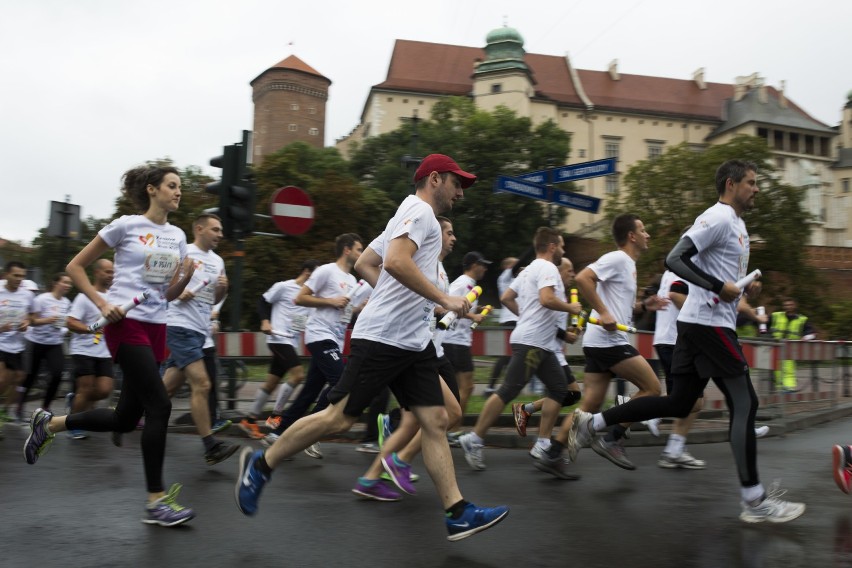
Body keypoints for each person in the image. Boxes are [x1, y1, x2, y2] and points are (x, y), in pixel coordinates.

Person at [235, 153, 508, 541]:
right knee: (338, 418)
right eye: (456, 182)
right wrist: (443, 300)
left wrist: (420, 301)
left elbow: (367, 262)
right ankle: (262, 465)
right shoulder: (421, 212)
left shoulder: (405, 214)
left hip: (412, 342)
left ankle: (457, 512)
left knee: (435, 420)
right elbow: (394, 262)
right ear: (434, 179)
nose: (460, 193)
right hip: (383, 338)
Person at [565, 160, 805, 523]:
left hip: (699, 324)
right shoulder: (719, 216)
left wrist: (741, 287)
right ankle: (755, 501)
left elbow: (721, 280)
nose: (756, 189)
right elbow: (675, 258)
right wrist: (716, 286)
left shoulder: (738, 224)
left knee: (679, 402)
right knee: (745, 402)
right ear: (730, 184)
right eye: (751, 183)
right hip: (708, 326)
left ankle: (594, 425)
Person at [25, 164, 197, 526]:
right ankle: (155, 501)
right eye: (172, 185)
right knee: (160, 405)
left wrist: (186, 277)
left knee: (125, 418)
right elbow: (75, 267)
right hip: (125, 323)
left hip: (157, 326)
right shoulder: (125, 225)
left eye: (180, 186)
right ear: (152, 189)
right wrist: (102, 303)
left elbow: (167, 295)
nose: (178, 191)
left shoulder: (178, 236)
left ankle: (50, 425)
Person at [535, 214, 668, 476]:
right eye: (643, 229)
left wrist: (643, 306)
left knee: (590, 405)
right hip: (609, 342)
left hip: (599, 342)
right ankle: (613, 437)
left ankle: (553, 454)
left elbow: (620, 305)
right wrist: (603, 312)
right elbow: (585, 278)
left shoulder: (628, 264)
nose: (647, 234)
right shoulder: (618, 258)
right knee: (652, 388)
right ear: (631, 236)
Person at [457, 227, 582, 472]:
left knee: (559, 390)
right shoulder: (546, 268)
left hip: (539, 342)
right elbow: (546, 299)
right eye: (563, 246)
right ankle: (474, 439)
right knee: (507, 391)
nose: (564, 251)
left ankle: (543, 443)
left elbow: (505, 297)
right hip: (533, 342)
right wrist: (571, 308)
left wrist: (525, 316)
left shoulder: (529, 270)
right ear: (552, 246)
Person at [352, 215, 458, 499]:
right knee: (338, 417)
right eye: (448, 232)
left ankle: (375, 476)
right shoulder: (416, 248)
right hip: (415, 348)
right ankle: (395, 463)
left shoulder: (438, 268)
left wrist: (458, 310)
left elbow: (431, 305)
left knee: (428, 417)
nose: (452, 237)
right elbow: (369, 265)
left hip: (426, 348)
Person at [261, 233, 363, 459]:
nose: (361, 254)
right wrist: (330, 301)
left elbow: (345, 311)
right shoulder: (326, 271)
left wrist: (359, 308)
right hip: (319, 335)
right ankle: (310, 432)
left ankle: (279, 432)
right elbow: (300, 298)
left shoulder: (353, 281)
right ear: (346, 250)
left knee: (310, 392)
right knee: (341, 382)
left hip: (335, 339)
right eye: (358, 249)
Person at [161, 213, 238, 466]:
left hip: (201, 331)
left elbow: (212, 300)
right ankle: (210, 446)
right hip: (179, 325)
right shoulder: (184, 254)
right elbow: (162, 288)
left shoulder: (218, 261)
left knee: (168, 388)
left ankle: (129, 415)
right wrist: (178, 289)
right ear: (199, 229)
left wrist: (222, 288)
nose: (220, 234)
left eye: (221, 230)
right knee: (203, 384)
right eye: (215, 229)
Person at [507, 256, 583, 462]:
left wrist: (571, 331)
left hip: (553, 349)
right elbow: (547, 321)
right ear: (558, 272)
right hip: (548, 349)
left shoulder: (560, 293)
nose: (572, 274)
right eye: (569, 270)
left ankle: (528, 414)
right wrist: (565, 335)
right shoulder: (550, 290)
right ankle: (540, 437)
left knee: (569, 394)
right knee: (565, 392)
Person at [239, 260, 318, 439]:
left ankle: (249, 420)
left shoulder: (310, 296)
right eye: (317, 275)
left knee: (271, 383)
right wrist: (265, 321)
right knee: (298, 375)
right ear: (307, 272)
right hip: (278, 338)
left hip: (291, 342)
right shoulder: (283, 286)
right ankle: (276, 417)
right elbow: (262, 301)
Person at [64, 259, 116, 440]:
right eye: (107, 272)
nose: (111, 275)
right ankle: (73, 425)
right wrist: (89, 328)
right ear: (97, 273)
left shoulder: (114, 297)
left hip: (104, 351)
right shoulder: (85, 296)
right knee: (85, 390)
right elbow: (70, 322)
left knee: (104, 390)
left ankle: (75, 400)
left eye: (112, 272)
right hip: (83, 350)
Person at [13, 272, 73, 421]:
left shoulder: (66, 302)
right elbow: (32, 321)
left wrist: (63, 328)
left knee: (57, 374)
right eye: (64, 282)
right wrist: (47, 320)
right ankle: (19, 406)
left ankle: (45, 408)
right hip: (36, 341)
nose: (67, 285)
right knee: (30, 376)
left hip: (54, 343)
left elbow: (65, 323)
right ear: (55, 283)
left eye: (69, 283)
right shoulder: (42, 299)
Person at [441, 250, 490, 427]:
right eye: (483, 264)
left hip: (458, 342)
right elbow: (446, 305)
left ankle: (449, 426)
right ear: (474, 265)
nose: (485, 268)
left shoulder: (471, 285)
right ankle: (451, 428)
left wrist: (478, 310)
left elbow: (462, 307)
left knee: (454, 389)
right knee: (466, 387)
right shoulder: (462, 283)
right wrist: (473, 317)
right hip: (454, 341)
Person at [0, 261, 35, 428]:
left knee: (19, 378)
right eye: (16, 275)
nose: (19, 279)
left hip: (18, 345)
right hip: (0, 342)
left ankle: (5, 410)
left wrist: (27, 322)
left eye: (22, 276)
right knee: (2, 379)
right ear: (6, 274)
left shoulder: (27, 295)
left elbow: (32, 316)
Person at [484, 257, 519, 396]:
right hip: (511, 320)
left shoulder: (513, 279)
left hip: (514, 319)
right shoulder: (505, 277)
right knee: (506, 356)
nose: (519, 266)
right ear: (508, 266)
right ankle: (491, 387)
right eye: (515, 264)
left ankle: (497, 387)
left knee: (510, 356)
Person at [770, 297, 815, 392]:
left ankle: (788, 389)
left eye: (790, 304)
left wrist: (806, 337)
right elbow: (764, 322)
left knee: (789, 369)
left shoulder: (802, 319)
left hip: (790, 349)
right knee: (777, 370)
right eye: (786, 305)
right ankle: (779, 390)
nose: (788, 307)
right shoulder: (776, 316)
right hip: (776, 347)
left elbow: (811, 332)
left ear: (795, 305)